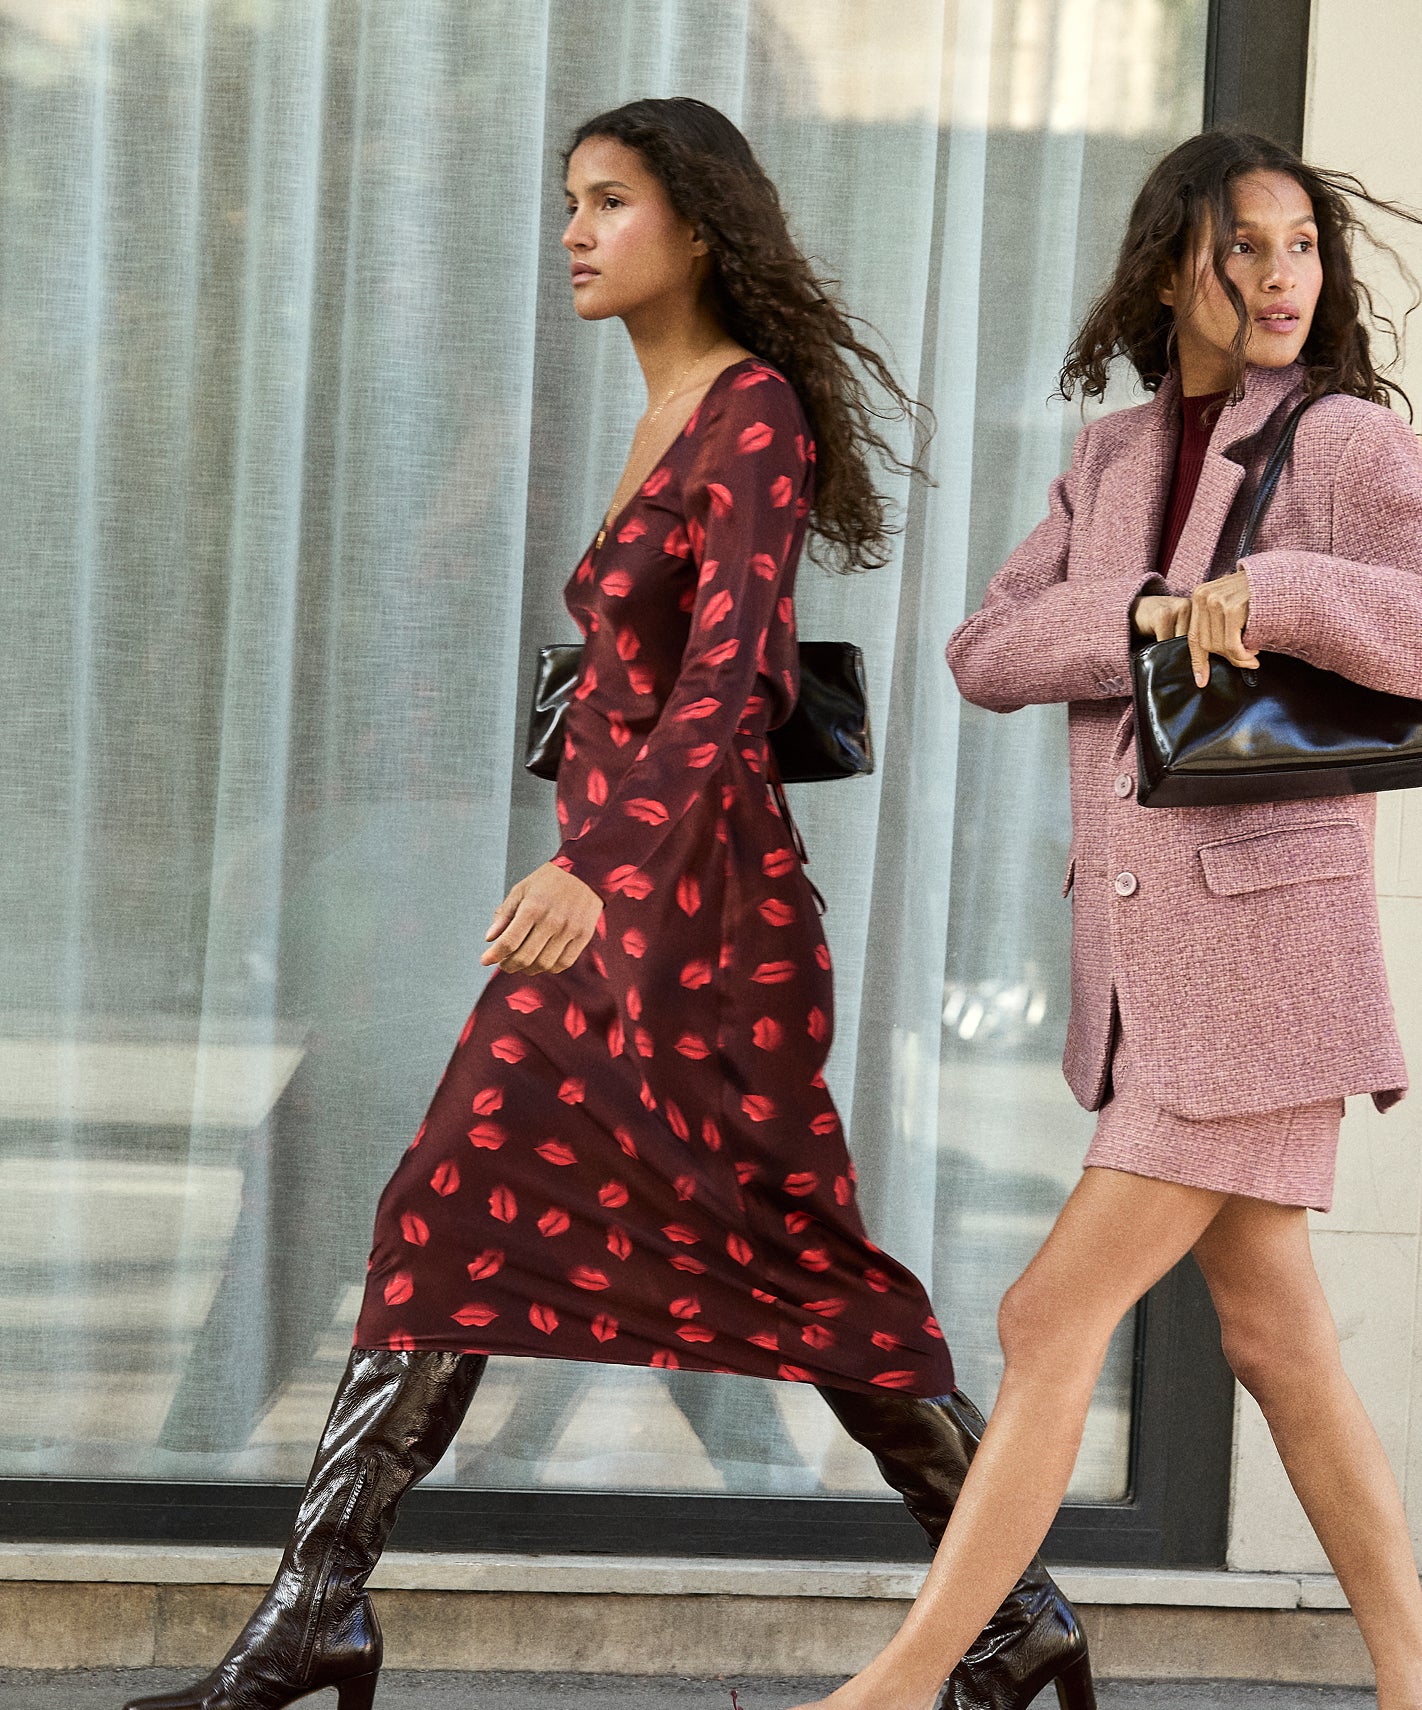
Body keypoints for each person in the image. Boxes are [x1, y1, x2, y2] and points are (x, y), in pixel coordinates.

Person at [123, 97, 1092, 1710]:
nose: (574, 231)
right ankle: (317, 1608)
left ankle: (1011, 1609)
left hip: (698, 922)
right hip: (627, 906)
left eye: (610, 201)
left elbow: (730, 683)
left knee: (782, 1264)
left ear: (696, 226)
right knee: (456, 1214)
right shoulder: (661, 411)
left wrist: (595, 864)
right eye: (569, 201)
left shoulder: (751, 410)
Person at [788, 128, 1422, 1710]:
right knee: (1276, 1341)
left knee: (1043, 1311)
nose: (1280, 277)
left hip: (1263, 963)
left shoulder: (1343, 441)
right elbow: (983, 648)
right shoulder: (1112, 455)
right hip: (1148, 973)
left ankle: (901, 1684)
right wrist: (1139, 613)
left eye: (1300, 246)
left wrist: (1276, 590)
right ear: (1166, 272)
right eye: (1242, 248)